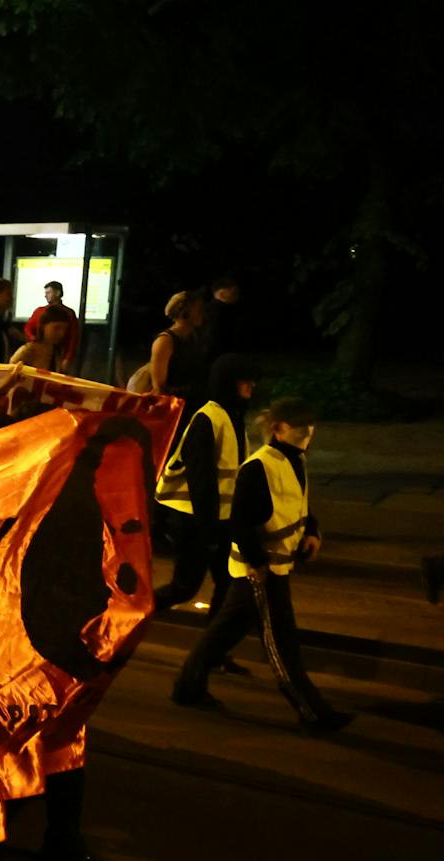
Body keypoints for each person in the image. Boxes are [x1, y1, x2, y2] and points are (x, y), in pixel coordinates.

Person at [172, 398, 352, 734]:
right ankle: (313, 713)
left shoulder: (296, 461)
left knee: (224, 632)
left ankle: (187, 687)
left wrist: (312, 531)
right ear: (278, 428)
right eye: (300, 426)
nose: (308, 432)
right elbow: (240, 523)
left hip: (274, 567)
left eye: (310, 426)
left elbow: (298, 503)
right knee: (282, 644)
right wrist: (257, 561)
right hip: (260, 571)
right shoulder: (258, 467)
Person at [153, 355, 256, 627]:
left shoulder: (232, 416)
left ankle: (213, 649)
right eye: (245, 381)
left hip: (215, 519)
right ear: (228, 383)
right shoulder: (209, 419)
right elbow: (202, 480)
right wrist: (209, 529)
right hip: (193, 520)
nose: (252, 386)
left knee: (228, 581)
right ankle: (127, 616)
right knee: (185, 587)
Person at [142, 290, 208, 408]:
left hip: (190, 404)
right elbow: (160, 387)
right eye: (198, 309)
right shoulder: (165, 342)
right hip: (174, 408)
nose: (203, 313)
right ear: (185, 312)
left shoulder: (194, 337)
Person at [22, 281, 79, 369]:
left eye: (48, 292)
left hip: (59, 352)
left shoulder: (68, 313)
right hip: (40, 351)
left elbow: (73, 338)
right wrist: (33, 339)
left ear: (57, 293)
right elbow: (28, 328)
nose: (45, 295)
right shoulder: (39, 311)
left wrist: (68, 358)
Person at [9, 304, 75, 371]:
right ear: (43, 326)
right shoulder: (28, 350)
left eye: (64, 329)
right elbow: (10, 370)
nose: (61, 333)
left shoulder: (56, 351)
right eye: (56, 328)